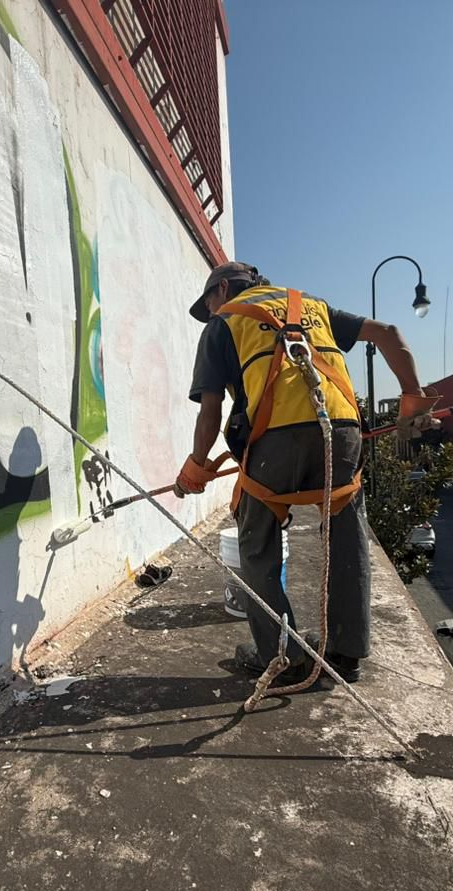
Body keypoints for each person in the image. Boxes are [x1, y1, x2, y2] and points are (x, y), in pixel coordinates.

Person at [173, 262, 436, 683]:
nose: (210, 310)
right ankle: (346, 653)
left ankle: (282, 654)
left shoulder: (223, 323)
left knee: (256, 542)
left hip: (275, 439)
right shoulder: (310, 305)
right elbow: (389, 334)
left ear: (222, 289)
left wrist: (195, 468)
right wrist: (413, 399)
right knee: (347, 535)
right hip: (344, 433)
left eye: (209, 302)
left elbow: (211, 410)